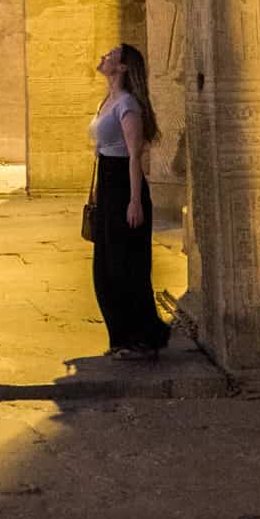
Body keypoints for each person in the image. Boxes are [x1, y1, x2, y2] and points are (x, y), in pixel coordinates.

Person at [88, 42, 171, 360]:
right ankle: (120, 336)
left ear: (122, 67)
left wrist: (135, 201)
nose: (103, 56)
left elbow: (135, 155)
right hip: (109, 185)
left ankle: (142, 338)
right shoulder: (107, 100)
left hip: (125, 186)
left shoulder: (128, 105)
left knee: (127, 266)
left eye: (110, 55)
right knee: (105, 266)